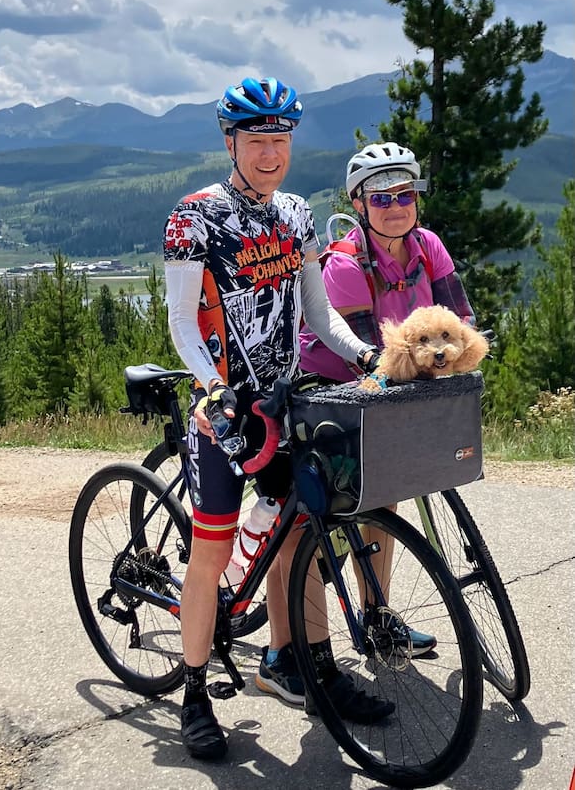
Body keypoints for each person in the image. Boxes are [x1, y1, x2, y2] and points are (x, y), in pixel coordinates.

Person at [163, 78, 394, 761]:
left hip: (283, 401)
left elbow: (318, 316)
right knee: (210, 554)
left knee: (301, 533)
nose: (270, 152)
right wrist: (213, 390)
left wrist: (366, 355)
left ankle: (315, 668)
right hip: (225, 411)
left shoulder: (295, 213)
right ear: (230, 141)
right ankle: (195, 693)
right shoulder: (196, 216)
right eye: (257, 139)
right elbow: (180, 319)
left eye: (281, 138)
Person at [300, 141, 478, 654]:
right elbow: (372, 355)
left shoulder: (429, 247)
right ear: (358, 204)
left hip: (398, 384)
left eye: (406, 193)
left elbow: (457, 317)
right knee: (324, 508)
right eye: (381, 198)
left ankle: (377, 615)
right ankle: (308, 641)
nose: (396, 206)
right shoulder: (345, 263)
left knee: (387, 495)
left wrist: (455, 349)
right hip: (337, 384)